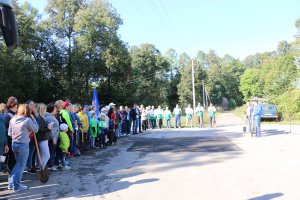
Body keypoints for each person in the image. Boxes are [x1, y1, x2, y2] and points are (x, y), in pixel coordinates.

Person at [8, 104, 39, 192]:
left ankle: (11, 184)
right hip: (23, 145)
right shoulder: (28, 120)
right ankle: (16, 186)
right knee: (20, 166)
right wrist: (33, 119)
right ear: (27, 111)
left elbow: (9, 134)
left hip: (14, 144)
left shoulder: (12, 119)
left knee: (17, 164)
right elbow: (36, 129)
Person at [3, 97, 18, 176]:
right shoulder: (7, 115)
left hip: (13, 139)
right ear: (11, 104)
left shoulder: (13, 114)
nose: (17, 106)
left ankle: (12, 174)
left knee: (13, 158)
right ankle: (11, 175)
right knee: (10, 158)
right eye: (15, 103)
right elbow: (6, 129)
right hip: (9, 140)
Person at [36, 103, 51, 171]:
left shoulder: (41, 118)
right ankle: (41, 170)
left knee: (43, 156)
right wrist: (48, 128)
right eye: (45, 109)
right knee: (47, 156)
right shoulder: (39, 118)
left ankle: (41, 169)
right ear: (42, 110)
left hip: (43, 139)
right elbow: (40, 129)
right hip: (42, 139)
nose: (46, 110)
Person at [45, 103, 60, 171]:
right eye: (55, 109)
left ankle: (51, 164)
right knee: (51, 152)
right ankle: (50, 165)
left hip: (54, 137)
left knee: (52, 151)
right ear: (52, 109)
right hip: (52, 138)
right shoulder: (49, 118)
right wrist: (54, 138)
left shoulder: (51, 116)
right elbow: (51, 129)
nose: (56, 110)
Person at [25, 100, 37, 174]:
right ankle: (29, 167)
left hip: (33, 136)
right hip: (28, 137)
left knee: (32, 152)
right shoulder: (26, 115)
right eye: (31, 105)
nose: (33, 106)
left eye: (34, 105)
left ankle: (32, 165)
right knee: (29, 152)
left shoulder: (33, 114)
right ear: (27, 106)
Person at [0, 104, 9, 171]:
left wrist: (6, 144)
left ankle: (1, 168)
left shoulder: (2, 119)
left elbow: (4, 132)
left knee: (2, 158)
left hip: (2, 143)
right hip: (2, 143)